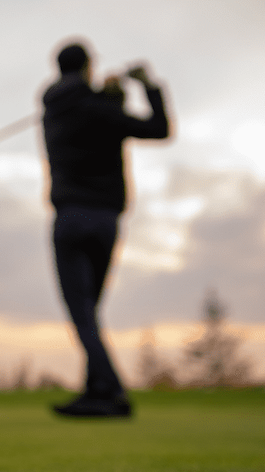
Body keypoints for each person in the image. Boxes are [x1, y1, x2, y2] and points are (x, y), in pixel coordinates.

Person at [41, 40, 171, 417]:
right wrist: (144, 86)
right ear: (87, 67)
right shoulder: (102, 109)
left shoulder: (52, 110)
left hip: (69, 218)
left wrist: (105, 96)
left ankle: (109, 390)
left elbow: (78, 108)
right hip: (105, 220)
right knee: (89, 311)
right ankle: (99, 391)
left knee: (82, 312)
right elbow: (159, 128)